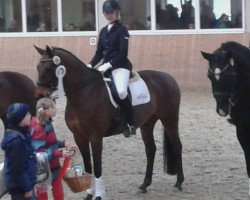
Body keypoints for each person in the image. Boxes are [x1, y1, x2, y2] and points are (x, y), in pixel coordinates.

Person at [86, 0, 136, 136]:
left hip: (120, 66)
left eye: (112, 13)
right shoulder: (103, 31)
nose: (109, 15)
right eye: (107, 13)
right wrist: (90, 65)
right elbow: (99, 53)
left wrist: (109, 64)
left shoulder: (122, 29)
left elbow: (123, 53)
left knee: (120, 91)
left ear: (117, 12)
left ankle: (131, 124)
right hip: (105, 67)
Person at [30, 98, 71, 200]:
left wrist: (62, 143)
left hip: (53, 166)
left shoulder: (47, 123)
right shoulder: (39, 127)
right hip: (43, 169)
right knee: (42, 195)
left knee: (59, 194)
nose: (56, 109)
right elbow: (40, 154)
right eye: (53, 107)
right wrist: (59, 154)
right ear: (47, 111)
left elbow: (50, 142)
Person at [1, 103, 37, 200]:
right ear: (20, 119)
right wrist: (27, 189)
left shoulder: (22, 132)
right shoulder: (16, 141)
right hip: (20, 188)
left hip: (25, 184)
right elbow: (17, 169)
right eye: (27, 114)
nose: (30, 116)